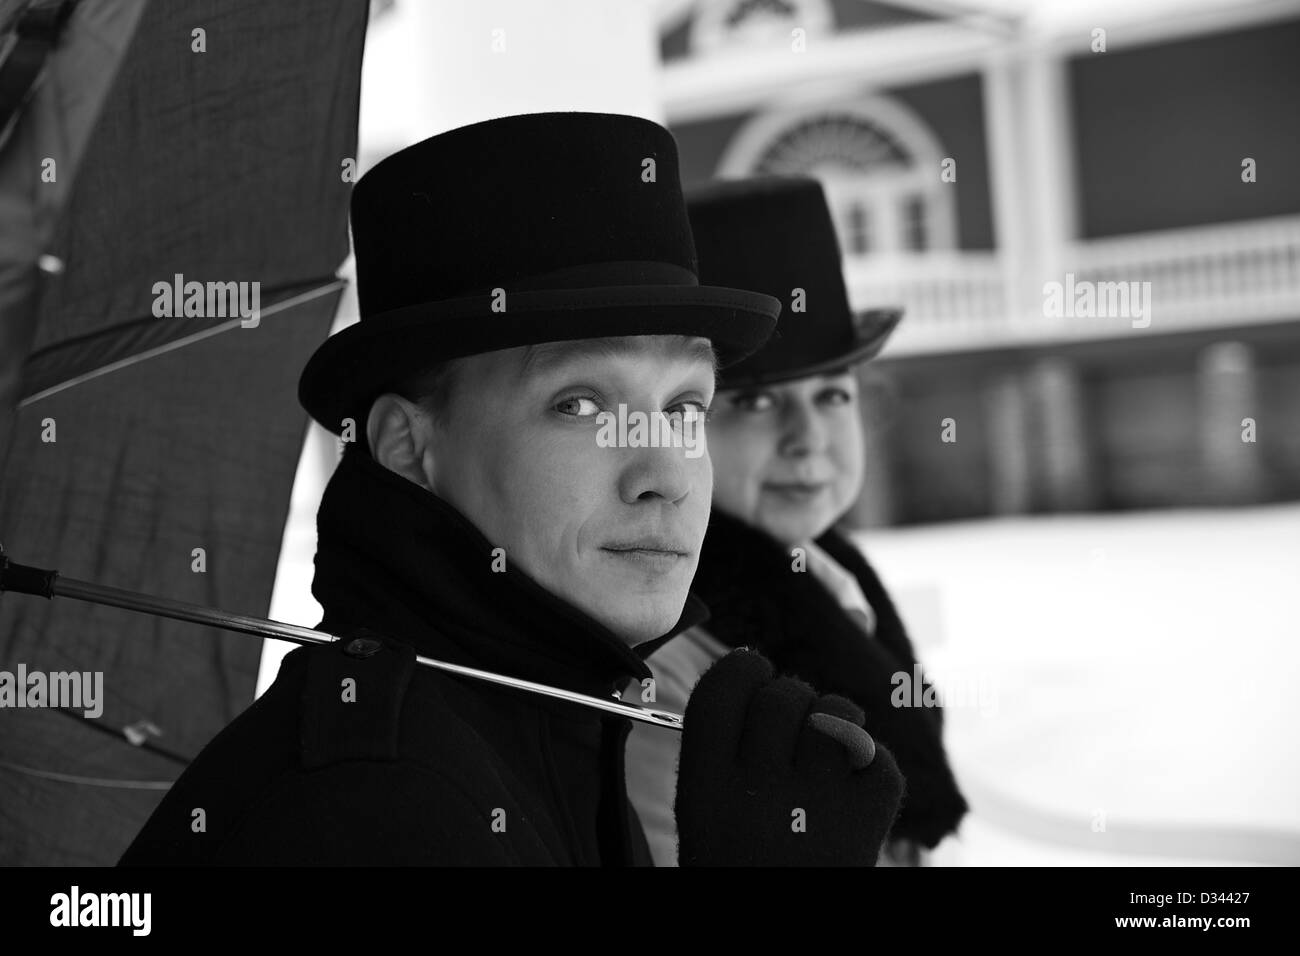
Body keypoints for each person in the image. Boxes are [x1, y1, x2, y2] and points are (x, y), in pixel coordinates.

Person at [118, 114, 904, 866]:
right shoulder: (374, 803)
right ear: (407, 444)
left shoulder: (560, 719)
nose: (662, 475)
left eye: (683, 408)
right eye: (581, 405)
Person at [625, 176, 968, 866]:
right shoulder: (667, 660)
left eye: (833, 395)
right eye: (755, 403)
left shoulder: (835, 577)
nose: (808, 437)